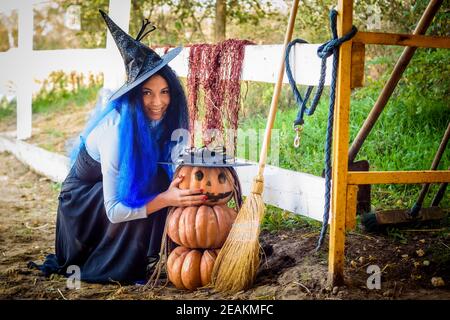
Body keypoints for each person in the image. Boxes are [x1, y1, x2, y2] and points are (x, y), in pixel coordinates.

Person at [30, 10, 207, 284]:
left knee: (160, 177)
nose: (158, 102)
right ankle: (117, 262)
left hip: (112, 193)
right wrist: (165, 199)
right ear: (134, 96)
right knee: (146, 187)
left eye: (164, 91)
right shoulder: (114, 130)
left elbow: (172, 161)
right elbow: (114, 208)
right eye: (147, 92)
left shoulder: (158, 120)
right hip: (84, 208)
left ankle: (157, 251)